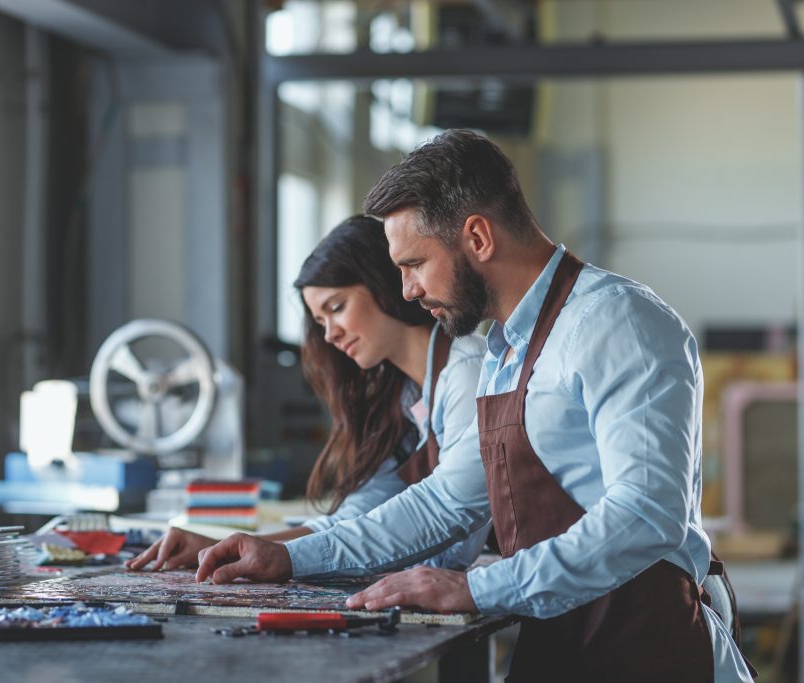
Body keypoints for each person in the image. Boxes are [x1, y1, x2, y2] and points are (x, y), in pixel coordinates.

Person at [195, 131, 754, 682]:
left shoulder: (615, 323)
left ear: (478, 238)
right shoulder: (505, 348)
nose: (407, 290)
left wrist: (475, 588)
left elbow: (646, 514)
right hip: (563, 641)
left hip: (647, 650)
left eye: (414, 264)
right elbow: (444, 504)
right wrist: (291, 558)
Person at [126, 215, 489, 572]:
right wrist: (231, 548)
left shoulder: (466, 372)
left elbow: (452, 549)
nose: (330, 334)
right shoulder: (400, 395)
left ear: (386, 284)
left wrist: (290, 558)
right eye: (320, 322)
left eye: (336, 308)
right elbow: (356, 517)